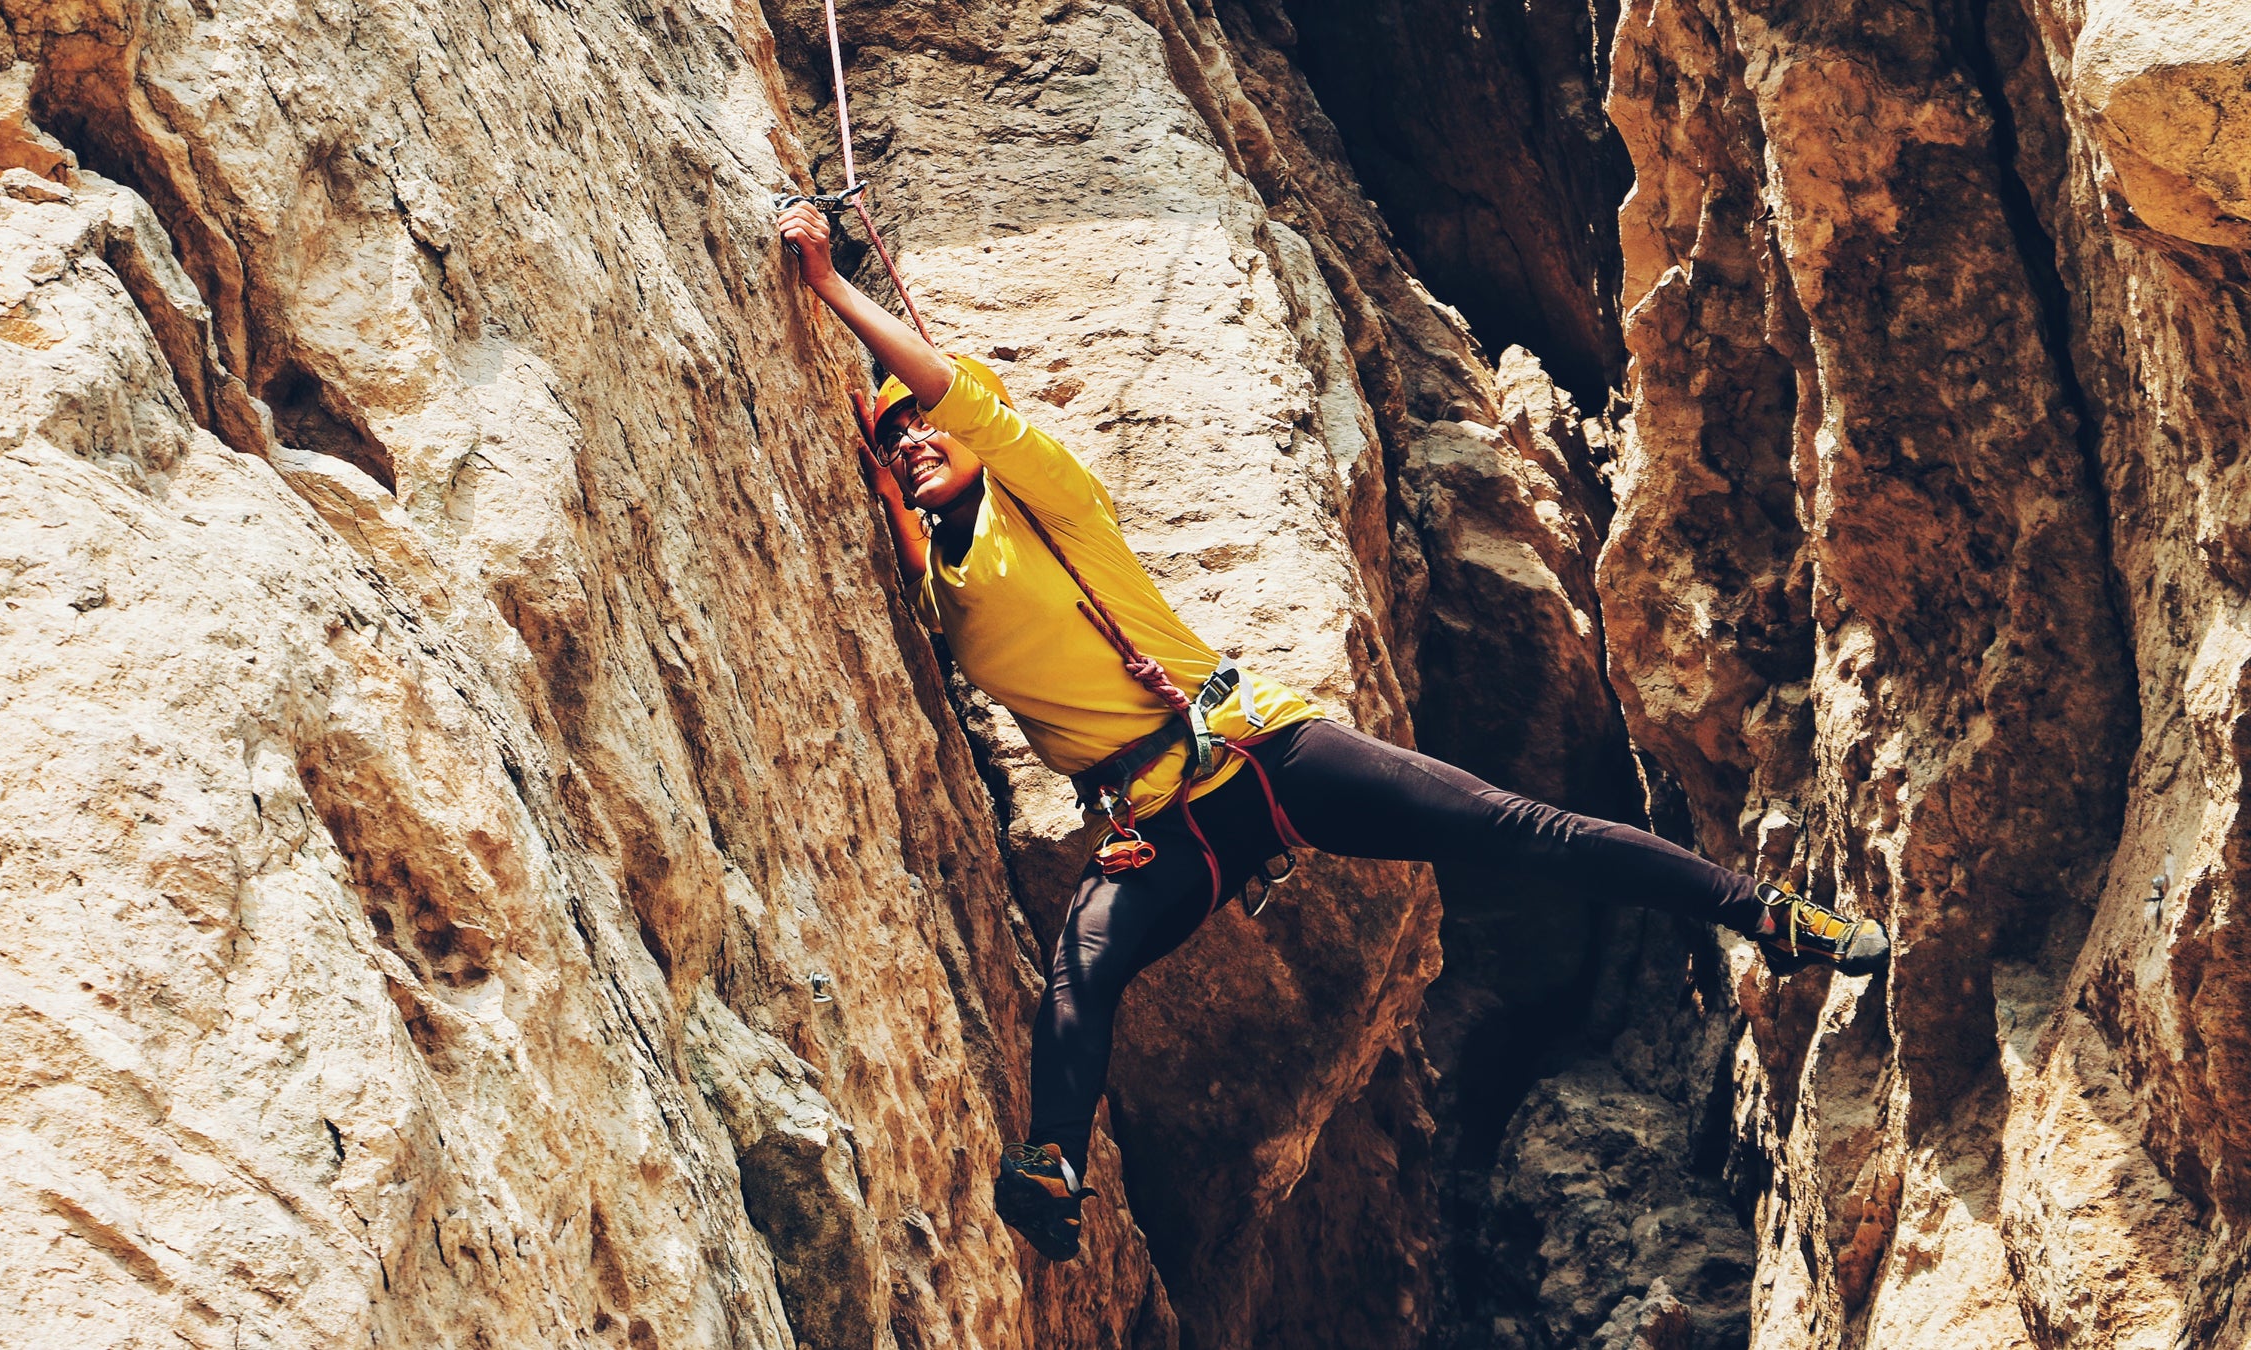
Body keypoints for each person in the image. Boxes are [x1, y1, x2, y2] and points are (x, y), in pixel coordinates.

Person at [775, 200, 1888, 1262]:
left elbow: (938, 386)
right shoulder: (939, 584)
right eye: (897, 444)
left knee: (1521, 830)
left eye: (929, 430)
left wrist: (830, 281)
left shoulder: (1052, 498)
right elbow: (892, 476)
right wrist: (870, 437)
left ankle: (1770, 917)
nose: (916, 443)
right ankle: (1054, 1168)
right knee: (1080, 977)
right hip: (1159, 825)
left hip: (1259, 749)